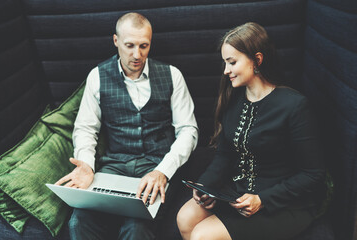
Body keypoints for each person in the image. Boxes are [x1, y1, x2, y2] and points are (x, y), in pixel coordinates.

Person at [55, 12, 198, 240]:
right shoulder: (98, 76)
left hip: (155, 165)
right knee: (79, 222)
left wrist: (163, 171)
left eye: (144, 46)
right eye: (129, 45)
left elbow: (188, 131)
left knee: (136, 228)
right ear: (116, 41)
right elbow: (85, 128)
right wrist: (87, 165)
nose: (137, 55)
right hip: (114, 165)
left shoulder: (173, 75)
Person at [177, 22, 325, 240]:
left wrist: (262, 199)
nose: (226, 71)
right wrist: (205, 185)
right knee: (185, 217)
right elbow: (224, 155)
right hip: (237, 194)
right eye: (225, 63)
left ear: (257, 60)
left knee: (202, 236)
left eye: (232, 62)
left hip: (283, 204)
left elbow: (314, 175)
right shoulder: (234, 100)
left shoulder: (294, 106)